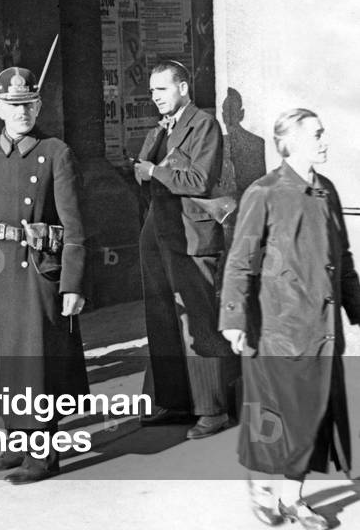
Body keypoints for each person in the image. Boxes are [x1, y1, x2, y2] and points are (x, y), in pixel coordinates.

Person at [220, 109, 360, 530]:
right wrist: (234, 318)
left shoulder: (326, 191)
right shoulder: (263, 192)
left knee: (311, 418)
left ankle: (291, 499)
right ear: (290, 142)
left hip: (321, 331)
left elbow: (345, 262)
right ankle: (264, 489)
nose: (323, 139)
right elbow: (240, 261)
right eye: (316, 133)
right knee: (277, 420)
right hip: (277, 331)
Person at [0, 66, 87, 484]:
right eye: (13, 105)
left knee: (35, 365)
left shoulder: (56, 152)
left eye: (29, 104)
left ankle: (42, 453)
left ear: (38, 105)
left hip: (33, 273)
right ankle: (15, 442)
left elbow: (75, 225)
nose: (22, 112)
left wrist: (72, 284)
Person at [133, 60, 235, 439]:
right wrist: (149, 162)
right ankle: (173, 402)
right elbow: (143, 172)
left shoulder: (204, 125)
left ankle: (212, 409)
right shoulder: (161, 130)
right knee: (161, 318)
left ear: (184, 88)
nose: (155, 97)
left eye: (162, 89)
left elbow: (199, 178)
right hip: (158, 231)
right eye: (152, 91)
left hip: (192, 237)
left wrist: (155, 171)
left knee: (198, 321)